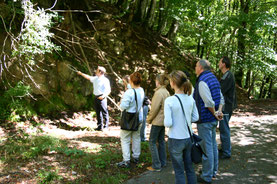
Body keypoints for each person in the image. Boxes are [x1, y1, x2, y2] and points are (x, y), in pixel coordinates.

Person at [164, 70, 199, 184]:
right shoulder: (190, 98)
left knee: (179, 171)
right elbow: (195, 117)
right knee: (189, 168)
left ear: (173, 83)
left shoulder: (170, 100)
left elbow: (168, 123)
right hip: (188, 137)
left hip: (175, 138)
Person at [193, 59, 223, 184]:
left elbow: (208, 102)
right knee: (213, 146)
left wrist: (215, 113)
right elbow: (221, 98)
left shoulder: (202, 81)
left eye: (196, 66)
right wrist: (219, 112)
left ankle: (206, 176)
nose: (195, 68)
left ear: (200, 67)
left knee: (207, 148)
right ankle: (213, 171)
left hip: (206, 119)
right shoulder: (214, 79)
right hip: (212, 120)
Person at [117, 72, 145, 168]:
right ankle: (136, 157)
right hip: (139, 117)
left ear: (131, 81)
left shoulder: (129, 92)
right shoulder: (141, 90)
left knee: (125, 139)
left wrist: (121, 101)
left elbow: (123, 106)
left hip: (129, 118)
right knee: (136, 137)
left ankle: (126, 160)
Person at [146, 74, 170, 172]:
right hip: (163, 120)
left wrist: (148, 120)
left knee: (152, 142)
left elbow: (154, 109)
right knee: (161, 141)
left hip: (157, 121)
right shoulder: (167, 92)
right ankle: (163, 162)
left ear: (158, 82)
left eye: (156, 81)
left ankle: (156, 165)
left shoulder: (159, 93)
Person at [77, 66, 111, 131]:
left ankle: (106, 127)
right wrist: (81, 73)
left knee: (104, 112)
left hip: (102, 98)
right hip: (96, 97)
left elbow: (108, 90)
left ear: (100, 72)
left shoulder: (105, 80)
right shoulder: (95, 78)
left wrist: (103, 96)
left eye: (97, 70)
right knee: (98, 112)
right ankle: (99, 126)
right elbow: (88, 77)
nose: (95, 71)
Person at [218, 56, 237, 159]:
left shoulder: (228, 76)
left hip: (226, 107)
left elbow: (221, 90)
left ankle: (226, 152)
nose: (218, 64)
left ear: (224, 64)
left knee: (224, 128)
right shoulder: (227, 75)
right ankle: (225, 148)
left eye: (220, 62)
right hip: (227, 106)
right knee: (223, 127)